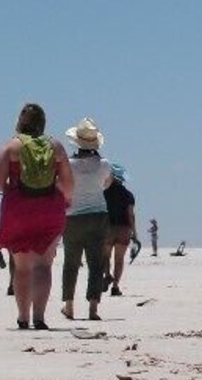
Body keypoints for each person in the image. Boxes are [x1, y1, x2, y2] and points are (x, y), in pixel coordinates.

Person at [0, 103, 73, 330]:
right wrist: (63, 199)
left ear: (20, 122)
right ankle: (39, 317)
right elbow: (68, 184)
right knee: (44, 266)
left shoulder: (10, 147)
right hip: (49, 209)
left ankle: (22, 317)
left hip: (18, 210)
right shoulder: (55, 147)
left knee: (22, 268)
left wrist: (12, 188)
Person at [59, 118, 113, 321]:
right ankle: (93, 308)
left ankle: (69, 305)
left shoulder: (69, 165)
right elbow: (106, 185)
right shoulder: (104, 164)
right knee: (96, 263)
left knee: (71, 262)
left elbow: (61, 186)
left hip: (73, 216)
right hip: (98, 215)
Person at [101, 164, 135, 296]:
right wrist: (134, 232)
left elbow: (102, 213)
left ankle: (107, 275)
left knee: (105, 256)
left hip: (108, 228)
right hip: (124, 229)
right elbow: (131, 215)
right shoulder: (128, 195)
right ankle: (115, 287)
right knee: (119, 259)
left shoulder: (104, 194)